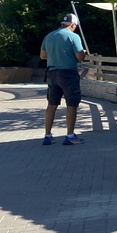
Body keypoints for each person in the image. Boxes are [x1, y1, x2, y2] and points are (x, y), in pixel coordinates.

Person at [40, 13, 87, 145]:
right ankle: (70, 136)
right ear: (72, 25)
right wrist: (83, 52)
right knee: (72, 104)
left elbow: (43, 56)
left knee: (51, 104)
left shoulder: (49, 36)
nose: (75, 28)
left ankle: (48, 135)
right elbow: (80, 57)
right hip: (68, 73)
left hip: (51, 73)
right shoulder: (73, 36)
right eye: (75, 26)